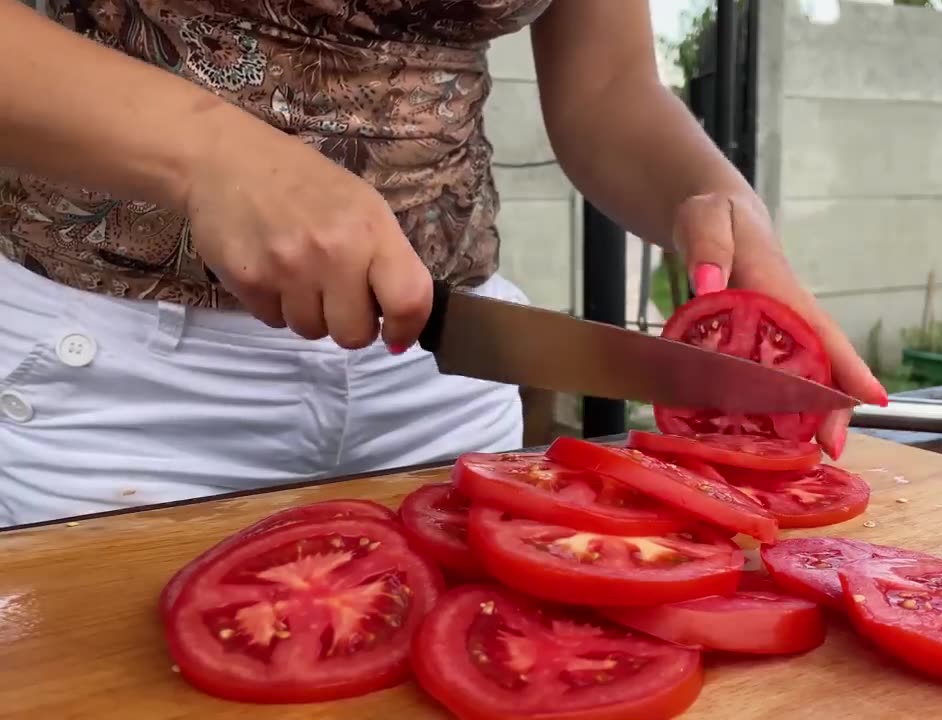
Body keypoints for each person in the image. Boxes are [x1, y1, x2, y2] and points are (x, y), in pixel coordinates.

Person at [0, 0, 888, 528]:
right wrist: (207, 155)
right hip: (120, 385)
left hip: (437, 378)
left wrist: (719, 199)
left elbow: (610, 91)